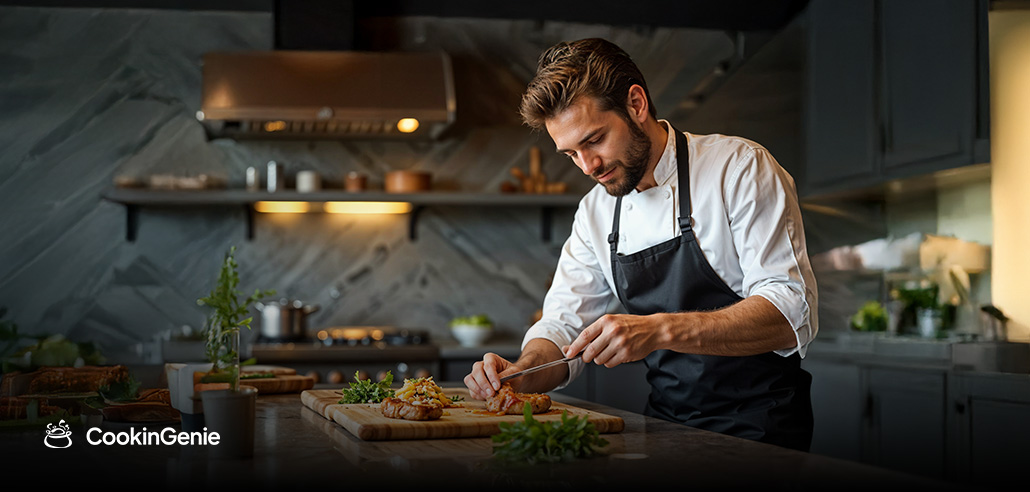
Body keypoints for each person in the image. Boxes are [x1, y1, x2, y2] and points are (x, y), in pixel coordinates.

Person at [464, 38, 818, 451]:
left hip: (761, 429)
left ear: (636, 104)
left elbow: (789, 310)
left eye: (594, 139)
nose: (588, 166)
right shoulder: (596, 211)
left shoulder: (738, 168)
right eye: (571, 154)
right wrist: (520, 373)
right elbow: (563, 329)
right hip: (666, 427)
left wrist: (658, 328)